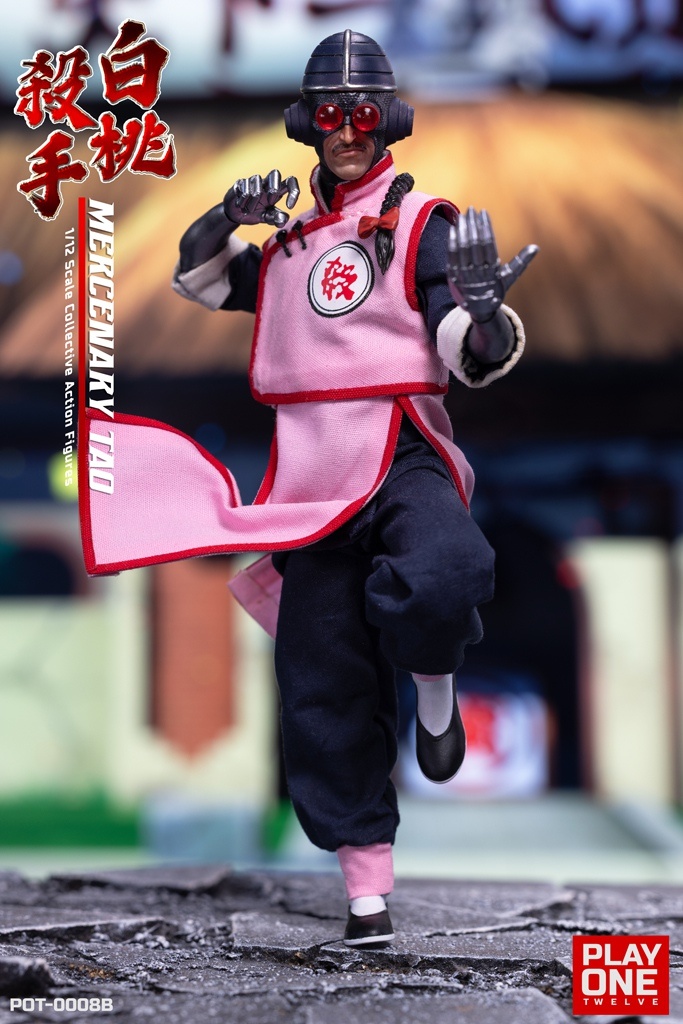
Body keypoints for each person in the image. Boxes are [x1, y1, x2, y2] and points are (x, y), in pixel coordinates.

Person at [87, 29, 537, 948]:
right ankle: (365, 889)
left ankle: (436, 692)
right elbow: (202, 277)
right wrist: (226, 215)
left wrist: (486, 318)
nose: (347, 131)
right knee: (320, 682)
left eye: (363, 112)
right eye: (331, 113)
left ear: (389, 120)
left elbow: (461, 336)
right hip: (310, 479)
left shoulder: (424, 225)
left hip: (399, 447)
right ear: (306, 122)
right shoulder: (288, 245)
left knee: (446, 569)